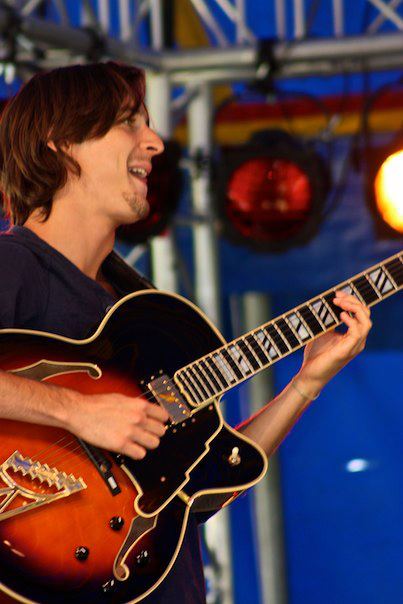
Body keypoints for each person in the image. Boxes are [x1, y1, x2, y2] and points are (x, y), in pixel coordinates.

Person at [0, 62, 371, 603]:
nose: (154, 143)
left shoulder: (139, 309)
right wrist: (77, 411)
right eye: (129, 122)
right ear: (61, 142)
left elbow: (196, 493)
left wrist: (305, 384)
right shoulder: (14, 265)